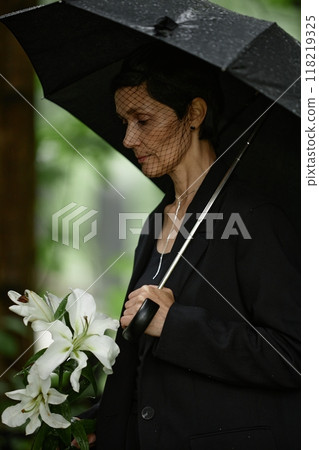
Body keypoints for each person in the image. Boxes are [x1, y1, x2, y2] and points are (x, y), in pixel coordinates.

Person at [74, 44, 300, 450]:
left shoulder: (256, 216)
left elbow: (295, 356)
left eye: (142, 120)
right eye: (124, 122)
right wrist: (96, 423)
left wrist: (176, 324)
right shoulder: (156, 221)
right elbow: (145, 364)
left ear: (194, 114)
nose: (128, 138)